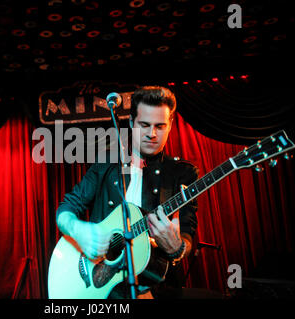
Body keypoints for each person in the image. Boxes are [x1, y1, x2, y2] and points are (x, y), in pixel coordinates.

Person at [56, 86, 199, 299]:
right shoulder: (106, 163)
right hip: (102, 287)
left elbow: (187, 234)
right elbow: (67, 208)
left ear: (170, 125)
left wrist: (177, 249)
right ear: (131, 123)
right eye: (144, 125)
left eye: (160, 126)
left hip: (153, 285)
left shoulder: (182, 173)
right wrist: (78, 230)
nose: (152, 134)